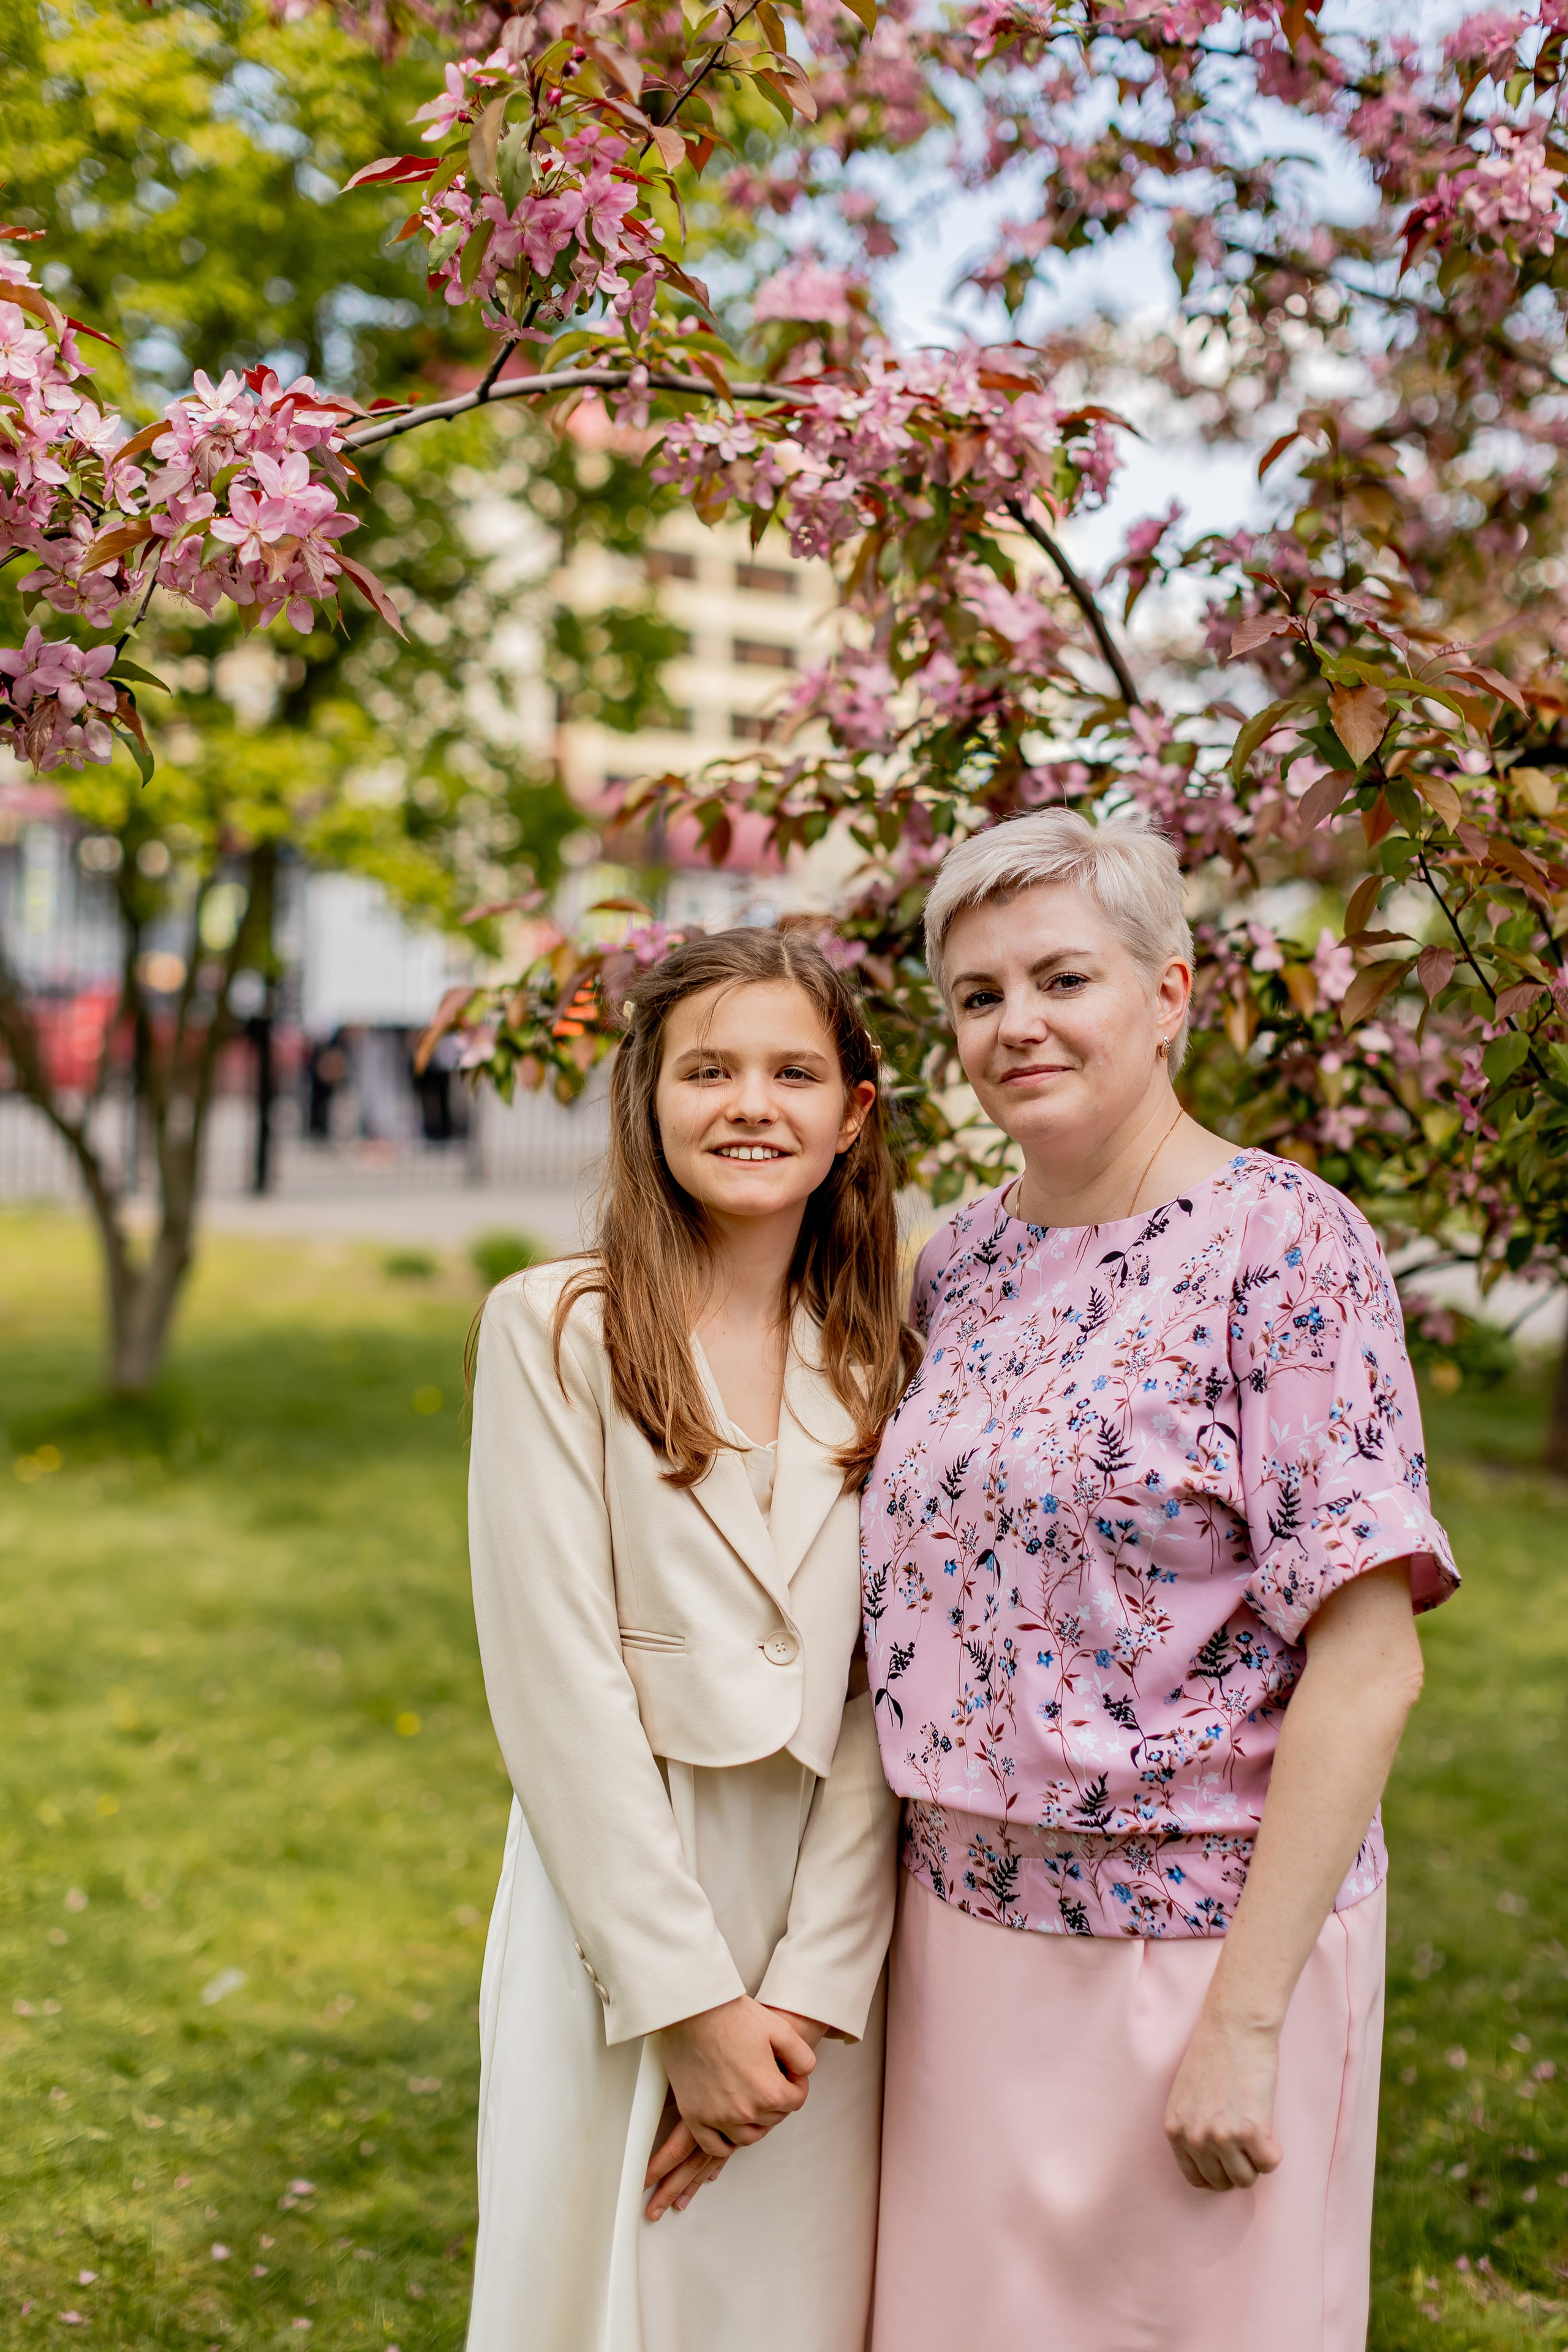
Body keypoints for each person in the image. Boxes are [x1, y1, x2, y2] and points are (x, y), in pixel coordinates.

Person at [863, 807, 1458, 2352]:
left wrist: (1242, 2026)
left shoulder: (1284, 1246)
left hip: (1193, 1958)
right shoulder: (955, 1265)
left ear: (1168, 993)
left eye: (1061, 978)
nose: (1016, 1025)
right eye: (977, 995)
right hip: (956, 1951)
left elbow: (1368, 1661)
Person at [466, 926, 914, 2352]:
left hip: (819, 1927)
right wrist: (688, 2004)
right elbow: (557, 1687)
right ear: (646, 1099)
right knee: (598, 2292)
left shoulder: (884, 1353)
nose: (748, 1105)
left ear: (851, 1114)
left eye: (792, 1073)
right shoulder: (557, 1331)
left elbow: (884, 1697)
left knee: (784, 2306)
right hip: (622, 1908)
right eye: (707, 1071)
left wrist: (806, 1994)